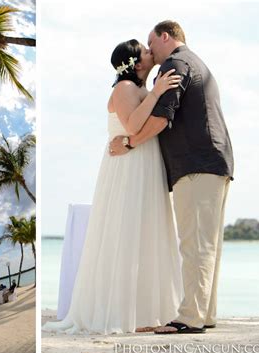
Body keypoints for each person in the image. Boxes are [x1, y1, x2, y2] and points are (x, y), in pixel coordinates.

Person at [42, 37, 184, 335]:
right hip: (128, 165)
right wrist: (157, 92)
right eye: (145, 51)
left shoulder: (141, 88)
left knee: (148, 233)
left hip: (146, 162)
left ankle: (148, 312)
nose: (150, 52)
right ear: (135, 62)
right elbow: (132, 126)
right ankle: (126, 314)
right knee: (129, 232)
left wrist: (154, 92)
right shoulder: (124, 88)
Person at [109, 20, 233, 335]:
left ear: (166, 37)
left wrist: (130, 143)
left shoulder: (176, 64)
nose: (150, 53)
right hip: (214, 162)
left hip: (196, 163)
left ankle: (190, 317)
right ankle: (205, 314)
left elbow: (163, 117)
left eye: (152, 46)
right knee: (208, 243)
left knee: (195, 242)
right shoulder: (195, 62)